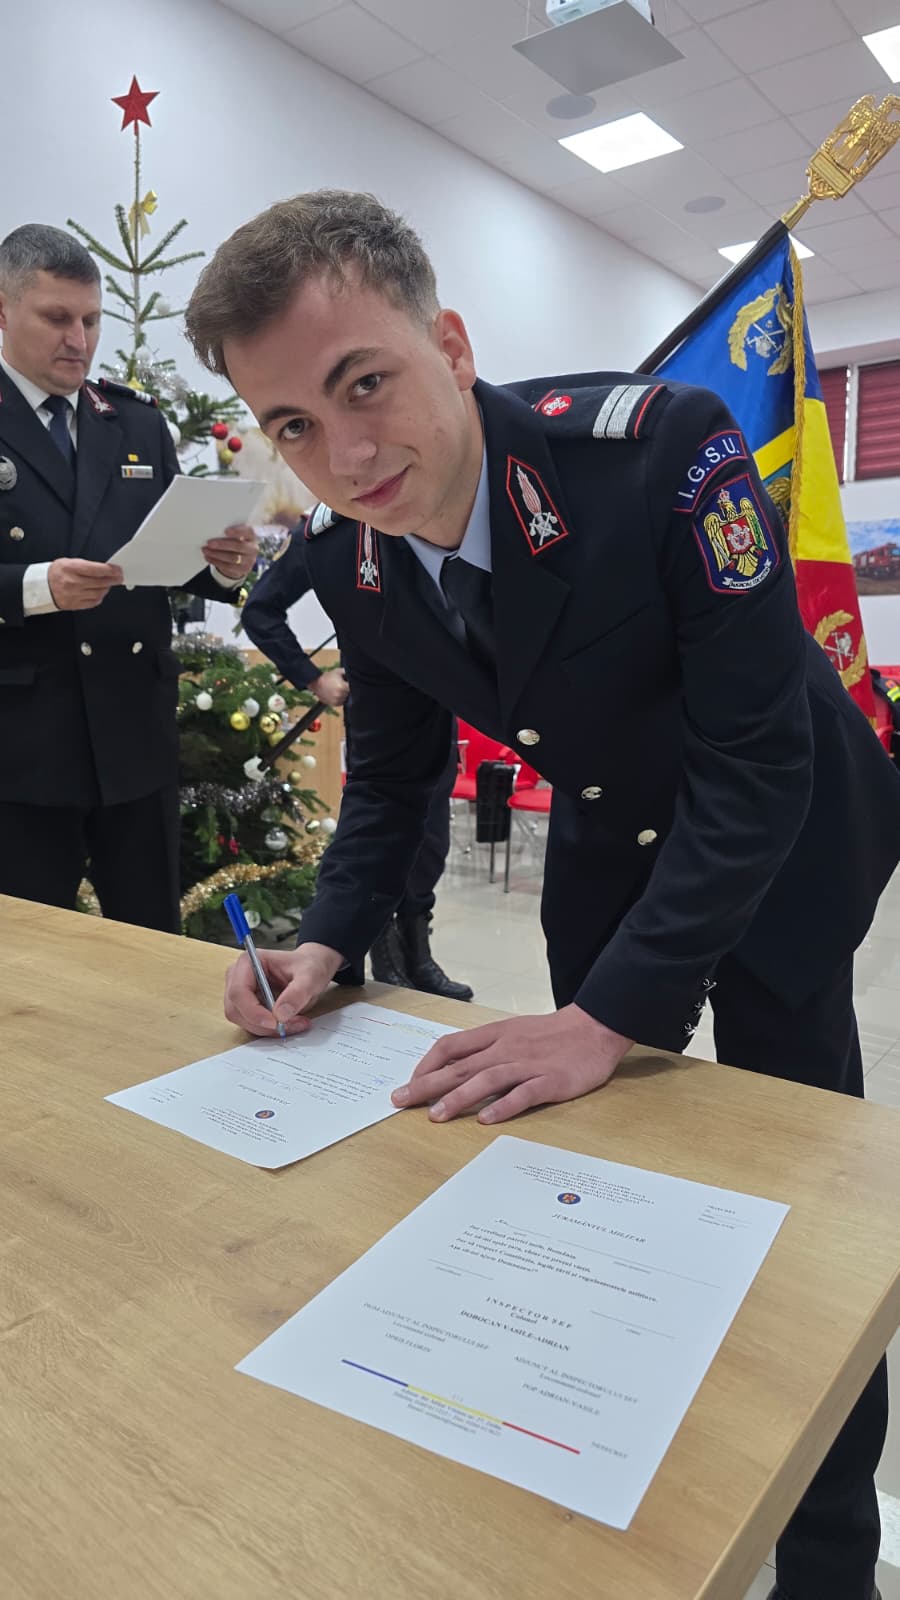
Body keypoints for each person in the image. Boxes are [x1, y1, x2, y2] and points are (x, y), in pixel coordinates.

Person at [185, 190, 898, 1600]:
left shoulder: (659, 455)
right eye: (293, 426)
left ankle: (827, 1560)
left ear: (451, 345)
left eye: (365, 383)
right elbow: (393, 778)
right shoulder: (351, 557)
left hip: (785, 833)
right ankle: (634, 1478)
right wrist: (325, 941)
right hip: (608, 831)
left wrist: (610, 1013)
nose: (346, 455)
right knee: (598, 1179)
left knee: (794, 1208)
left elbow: (757, 766)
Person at [0, 224, 258, 932]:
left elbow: (166, 549)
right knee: (30, 956)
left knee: (151, 937)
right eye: (57, 317)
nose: (78, 340)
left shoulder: (135, 423)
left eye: (91, 320)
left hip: (133, 734)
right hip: (23, 744)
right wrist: (37, 588)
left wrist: (224, 566)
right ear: (3, 310)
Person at [241, 523, 472, 1000]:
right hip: (382, 711)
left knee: (432, 840)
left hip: (441, 701)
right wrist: (313, 678)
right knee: (390, 823)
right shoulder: (331, 532)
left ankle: (417, 955)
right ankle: (384, 956)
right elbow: (261, 610)